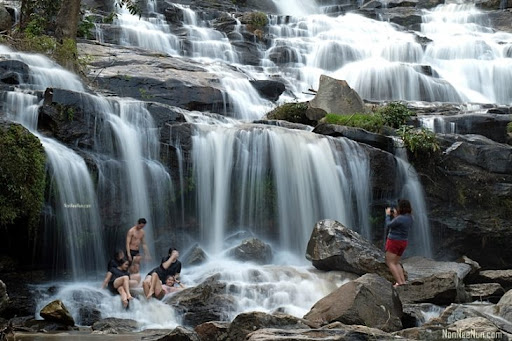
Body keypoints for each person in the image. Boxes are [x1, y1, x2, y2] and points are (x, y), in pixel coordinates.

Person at [385, 199, 413, 287]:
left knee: (390, 263)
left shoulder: (400, 218)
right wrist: (396, 215)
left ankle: (399, 283)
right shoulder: (410, 217)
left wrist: (388, 215)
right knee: (396, 262)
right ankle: (403, 282)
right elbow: (400, 222)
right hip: (403, 242)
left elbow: (389, 224)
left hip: (394, 241)